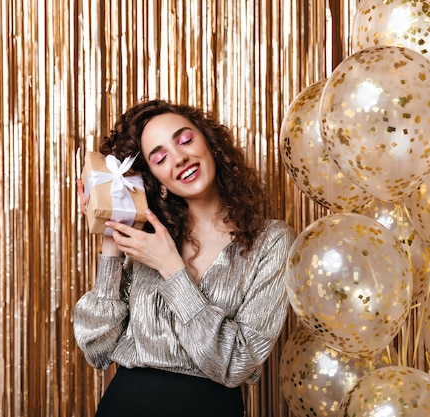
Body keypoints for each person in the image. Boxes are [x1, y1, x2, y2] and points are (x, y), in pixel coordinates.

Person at [74, 98, 296, 417]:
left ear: (210, 142)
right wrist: (112, 230)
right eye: (160, 157)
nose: (179, 158)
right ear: (154, 177)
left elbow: (237, 364)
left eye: (185, 140)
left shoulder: (272, 241)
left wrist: (171, 268)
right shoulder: (149, 236)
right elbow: (98, 350)